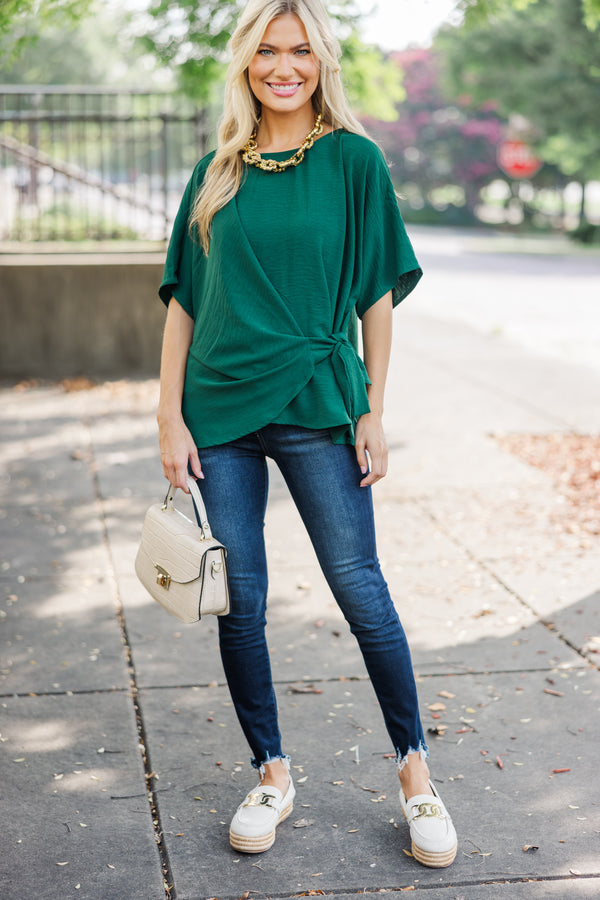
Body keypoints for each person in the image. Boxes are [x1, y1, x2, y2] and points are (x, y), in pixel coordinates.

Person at [156, 0, 457, 869]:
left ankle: (415, 775)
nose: (282, 67)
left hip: (322, 400)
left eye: (299, 51)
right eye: (266, 51)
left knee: (360, 589)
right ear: (246, 63)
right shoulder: (215, 172)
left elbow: (376, 295)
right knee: (240, 602)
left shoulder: (355, 163)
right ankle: (272, 772)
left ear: (321, 61)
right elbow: (182, 303)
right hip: (219, 415)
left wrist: (374, 406)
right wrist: (168, 416)